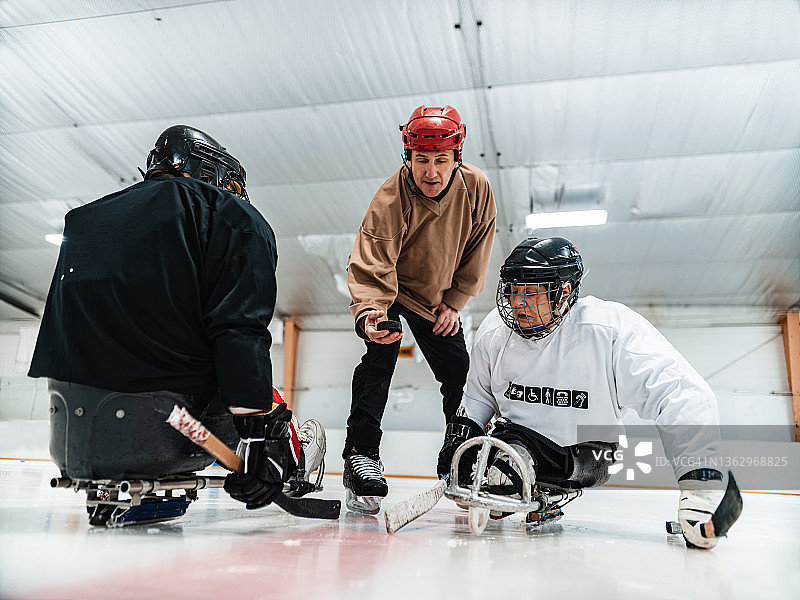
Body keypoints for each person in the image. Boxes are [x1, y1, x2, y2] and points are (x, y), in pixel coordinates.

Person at [28, 125, 325, 514]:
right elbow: (239, 328)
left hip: (70, 422)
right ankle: (295, 460)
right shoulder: (231, 216)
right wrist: (259, 432)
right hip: (169, 420)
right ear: (214, 174)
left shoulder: (86, 219)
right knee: (265, 399)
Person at [438, 236, 734, 549]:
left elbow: (681, 392)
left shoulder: (608, 329)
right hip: (512, 441)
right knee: (500, 468)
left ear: (563, 292)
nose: (517, 303)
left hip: (590, 451)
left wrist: (699, 487)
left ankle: (513, 470)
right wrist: (458, 448)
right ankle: (511, 473)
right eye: (513, 290)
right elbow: (477, 398)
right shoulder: (495, 331)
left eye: (530, 292)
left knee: (508, 465)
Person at [343, 105, 497, 513]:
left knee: (461, 374)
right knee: (379, 361)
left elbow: (479, 247)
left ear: (456, 157)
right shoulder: (390, 199)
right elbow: (371, 261)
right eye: (422, 160)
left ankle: (464, 456)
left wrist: (455, 302)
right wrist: (371, 313)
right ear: (408, 156)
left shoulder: (476, 188)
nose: (431, 172)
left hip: (436, 298)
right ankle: (361, 455)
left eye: (441, 161)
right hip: (390, 291)